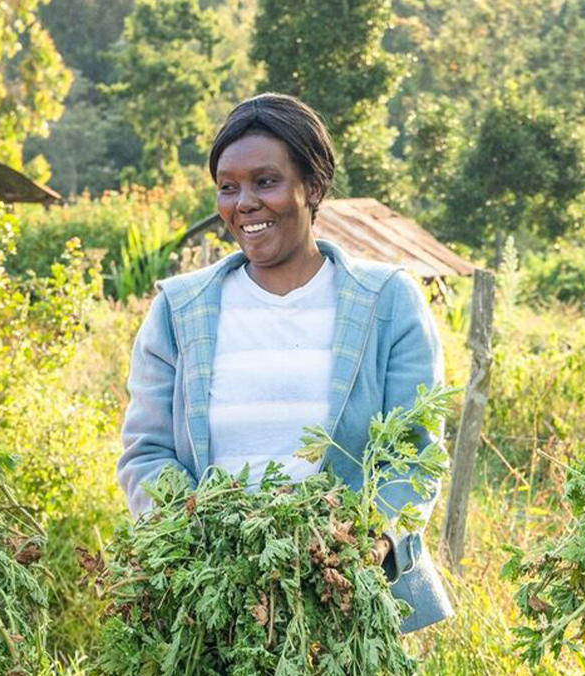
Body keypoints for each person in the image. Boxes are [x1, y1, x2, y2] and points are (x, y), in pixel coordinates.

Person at [115, 93, 452, 633]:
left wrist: (365, 542)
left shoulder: (386, 301)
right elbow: (147, 452)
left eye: (265, 182)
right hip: (210, 599)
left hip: (341, 597)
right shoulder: (180, 310)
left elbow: (415, 454)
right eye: (228, 187)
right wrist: (198, 540)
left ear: (312, 187)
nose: (243, 202)